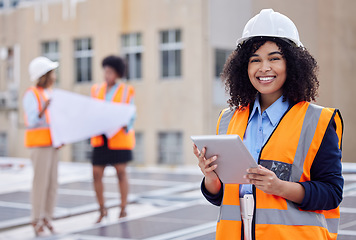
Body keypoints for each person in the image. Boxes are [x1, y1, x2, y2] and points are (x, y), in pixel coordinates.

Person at [193, 9, 343, 240]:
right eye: (255, 60)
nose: (264, 68)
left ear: (292, 64)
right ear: (244, 67)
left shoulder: (318, 121)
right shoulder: (228, 119)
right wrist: (210, 177)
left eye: (274, 58)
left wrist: (280, 187)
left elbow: (331, 193)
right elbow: (222, 197)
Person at [90, 55, 136, 223]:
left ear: (117, 73)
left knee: (121, 173)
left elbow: (131, 113)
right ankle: (102, 210)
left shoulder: (126, 90)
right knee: (96, 173)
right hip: (100, 138)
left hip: (119, 138)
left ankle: (123, 208)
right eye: (105, 71)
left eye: (109, 72)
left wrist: (125, 125)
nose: (106, 75)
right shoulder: (95, 89)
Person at [23, 56, 60, 236]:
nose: (54, 76)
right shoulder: (32, 94)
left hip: (53, 145)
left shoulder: (50, 93)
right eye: (51, 73)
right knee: (40, 183)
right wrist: (44, 108)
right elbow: (31, 121)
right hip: (39, 145)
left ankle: (47, 217)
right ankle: (36, 219)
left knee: (52, 183)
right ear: (44, 75)